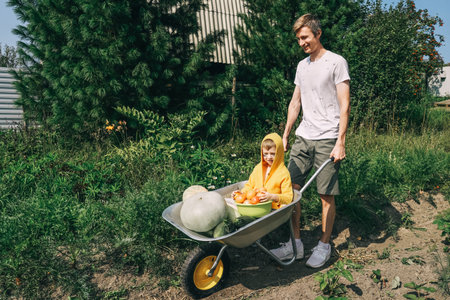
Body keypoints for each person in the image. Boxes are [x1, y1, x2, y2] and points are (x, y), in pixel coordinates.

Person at [270, 13, 350, 268]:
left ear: (318, 34)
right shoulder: (302, 67)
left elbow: (345, 104)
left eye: (304, 37)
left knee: (325, 195)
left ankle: (324, 245)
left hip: (328, 137)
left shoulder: (336, 62)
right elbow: (296, 102)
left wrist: (341, 141)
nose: (301, 43)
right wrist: (285, 134)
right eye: (298, 39)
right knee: (291, 191)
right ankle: (296, 243)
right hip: (303, 137)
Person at [233, 133, 293, 208]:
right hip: (255, 205)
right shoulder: (258, 168)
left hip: (272, 208)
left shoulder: (283, 173)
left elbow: (288, 198)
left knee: (283, 207)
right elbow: (249, 186)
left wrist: (272, 197)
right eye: (265, 154)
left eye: (272, 154)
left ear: (279, 153)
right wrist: (241, 193)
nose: (268, 157)